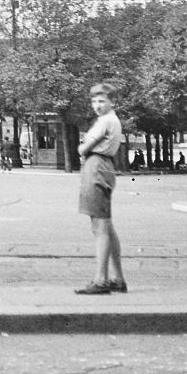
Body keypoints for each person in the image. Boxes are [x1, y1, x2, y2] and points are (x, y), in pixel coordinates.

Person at [74, 83, 127, 295]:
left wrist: (82, 147)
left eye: (102, 101)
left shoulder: (104, 121)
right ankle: (117, 278)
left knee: (99, 226)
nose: (97, 105)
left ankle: (101, 280)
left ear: (112, 102)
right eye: (94, 101)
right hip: (104, 166)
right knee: (107, 225)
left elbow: (83, 148)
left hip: (96, 166)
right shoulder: (113, 120)